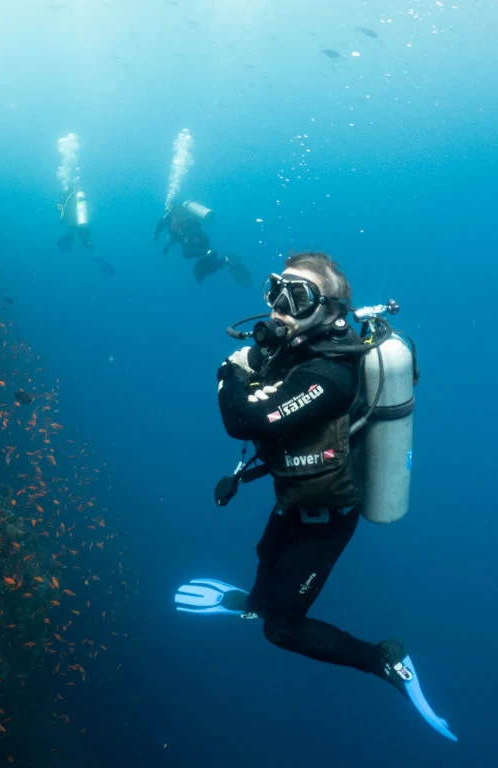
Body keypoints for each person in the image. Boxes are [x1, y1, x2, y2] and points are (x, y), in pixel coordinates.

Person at [174, 252, 456, 742]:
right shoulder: (294, 351)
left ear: (329, 311)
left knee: (281, 631)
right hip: (298, 494)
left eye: (297, 298)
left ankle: (385, 660)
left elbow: (245, 420)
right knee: (265, 554)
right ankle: (257, 600)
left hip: (327, 516)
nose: (280, 308)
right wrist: (247, 370)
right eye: (275, 291)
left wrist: (228, 374)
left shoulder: (330, 373)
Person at [154, 201, 250, 285]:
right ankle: (225, 260)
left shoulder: (170, 215)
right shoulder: (184, 213)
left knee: (189, 254)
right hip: (202, 237)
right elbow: (172, 238)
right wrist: (166, 246)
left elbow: (160, 226)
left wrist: (155, 235)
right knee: (202, 267)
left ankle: (211, 254)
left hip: (191, 236)